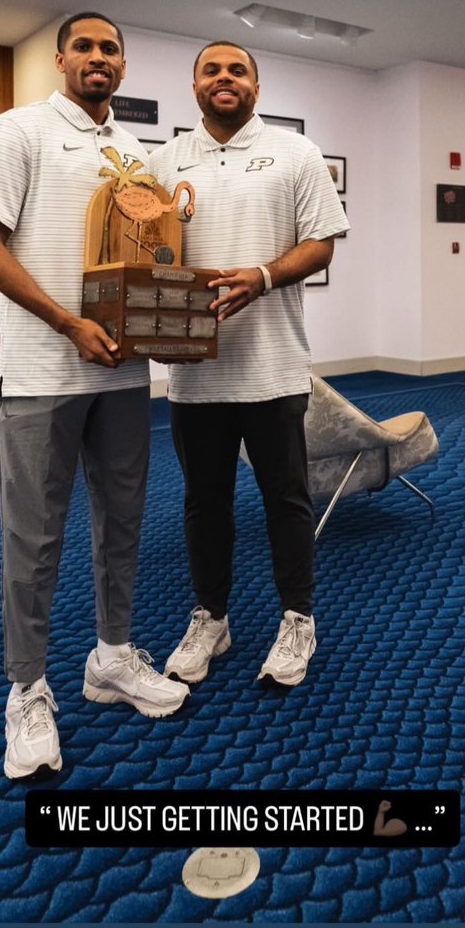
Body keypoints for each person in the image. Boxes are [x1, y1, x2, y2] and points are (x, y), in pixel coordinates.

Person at [0, 12, 188, 781]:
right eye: (85, 46)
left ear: (123, 65)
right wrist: (66, 323)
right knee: (34, 540)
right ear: (62, 58)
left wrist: (161, 322)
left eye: (111, 48)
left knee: (122, 522)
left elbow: (149, 260)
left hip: (123, 373)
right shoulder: (18, 131)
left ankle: (112, 656)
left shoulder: (135, 154)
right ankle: (27, 690)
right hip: (40, 372)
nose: (99, 57)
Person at [149, 41, 348, 690]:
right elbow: (147, 255)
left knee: (285, 501)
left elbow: (320, 243)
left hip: (272, 367)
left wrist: (263, 276)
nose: (224, 78)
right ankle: (211, 617)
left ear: (256, 86)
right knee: (204, 504)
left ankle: (297, 619)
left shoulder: (296, 153)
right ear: (195, 85)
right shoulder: (164, 161)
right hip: (195, 373)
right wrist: (145, 317)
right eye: (212, 70)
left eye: (237, 70)